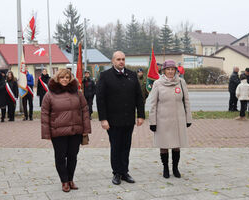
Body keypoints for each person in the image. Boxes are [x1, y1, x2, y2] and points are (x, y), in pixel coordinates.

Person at [96, 51, 145, 185]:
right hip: (112, 121)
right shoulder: (105, 76)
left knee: (126, 146)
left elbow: (139, 97)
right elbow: (100, 99)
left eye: (123, 59)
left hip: (128, 119)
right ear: (113, 61)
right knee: (116, 146)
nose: (121, 61)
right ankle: (116, 173)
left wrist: (140, 115)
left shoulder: (132, 75)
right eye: (118, 59)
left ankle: (124, 172)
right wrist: (103, 119)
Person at [41, 69, 91, 192]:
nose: (65, 80)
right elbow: (44, 114)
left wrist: (86, 129)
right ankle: (64, 181)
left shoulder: (78, 93)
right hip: (58, 132)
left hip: (75, 131)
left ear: (70, 79)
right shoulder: (49, 95)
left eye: (67, 77)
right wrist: (46, 133)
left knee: (73, 156)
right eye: (62, 77)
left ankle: (70, 179)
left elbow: (85, 111)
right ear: (58, 78)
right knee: (60, 157)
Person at [148, 60, 192, 179]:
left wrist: (188, 119)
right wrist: (152, 122)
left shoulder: (181, 82)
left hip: (178, 120)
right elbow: (153, 104)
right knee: (164, 145)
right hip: (162, 120)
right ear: (164, 71)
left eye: (173, 69)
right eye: (168, 69)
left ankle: (175, 168)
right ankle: (165, 168)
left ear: (176, 71)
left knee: (176, 145)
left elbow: (186, 101)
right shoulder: (158, 83)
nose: (171, 71)